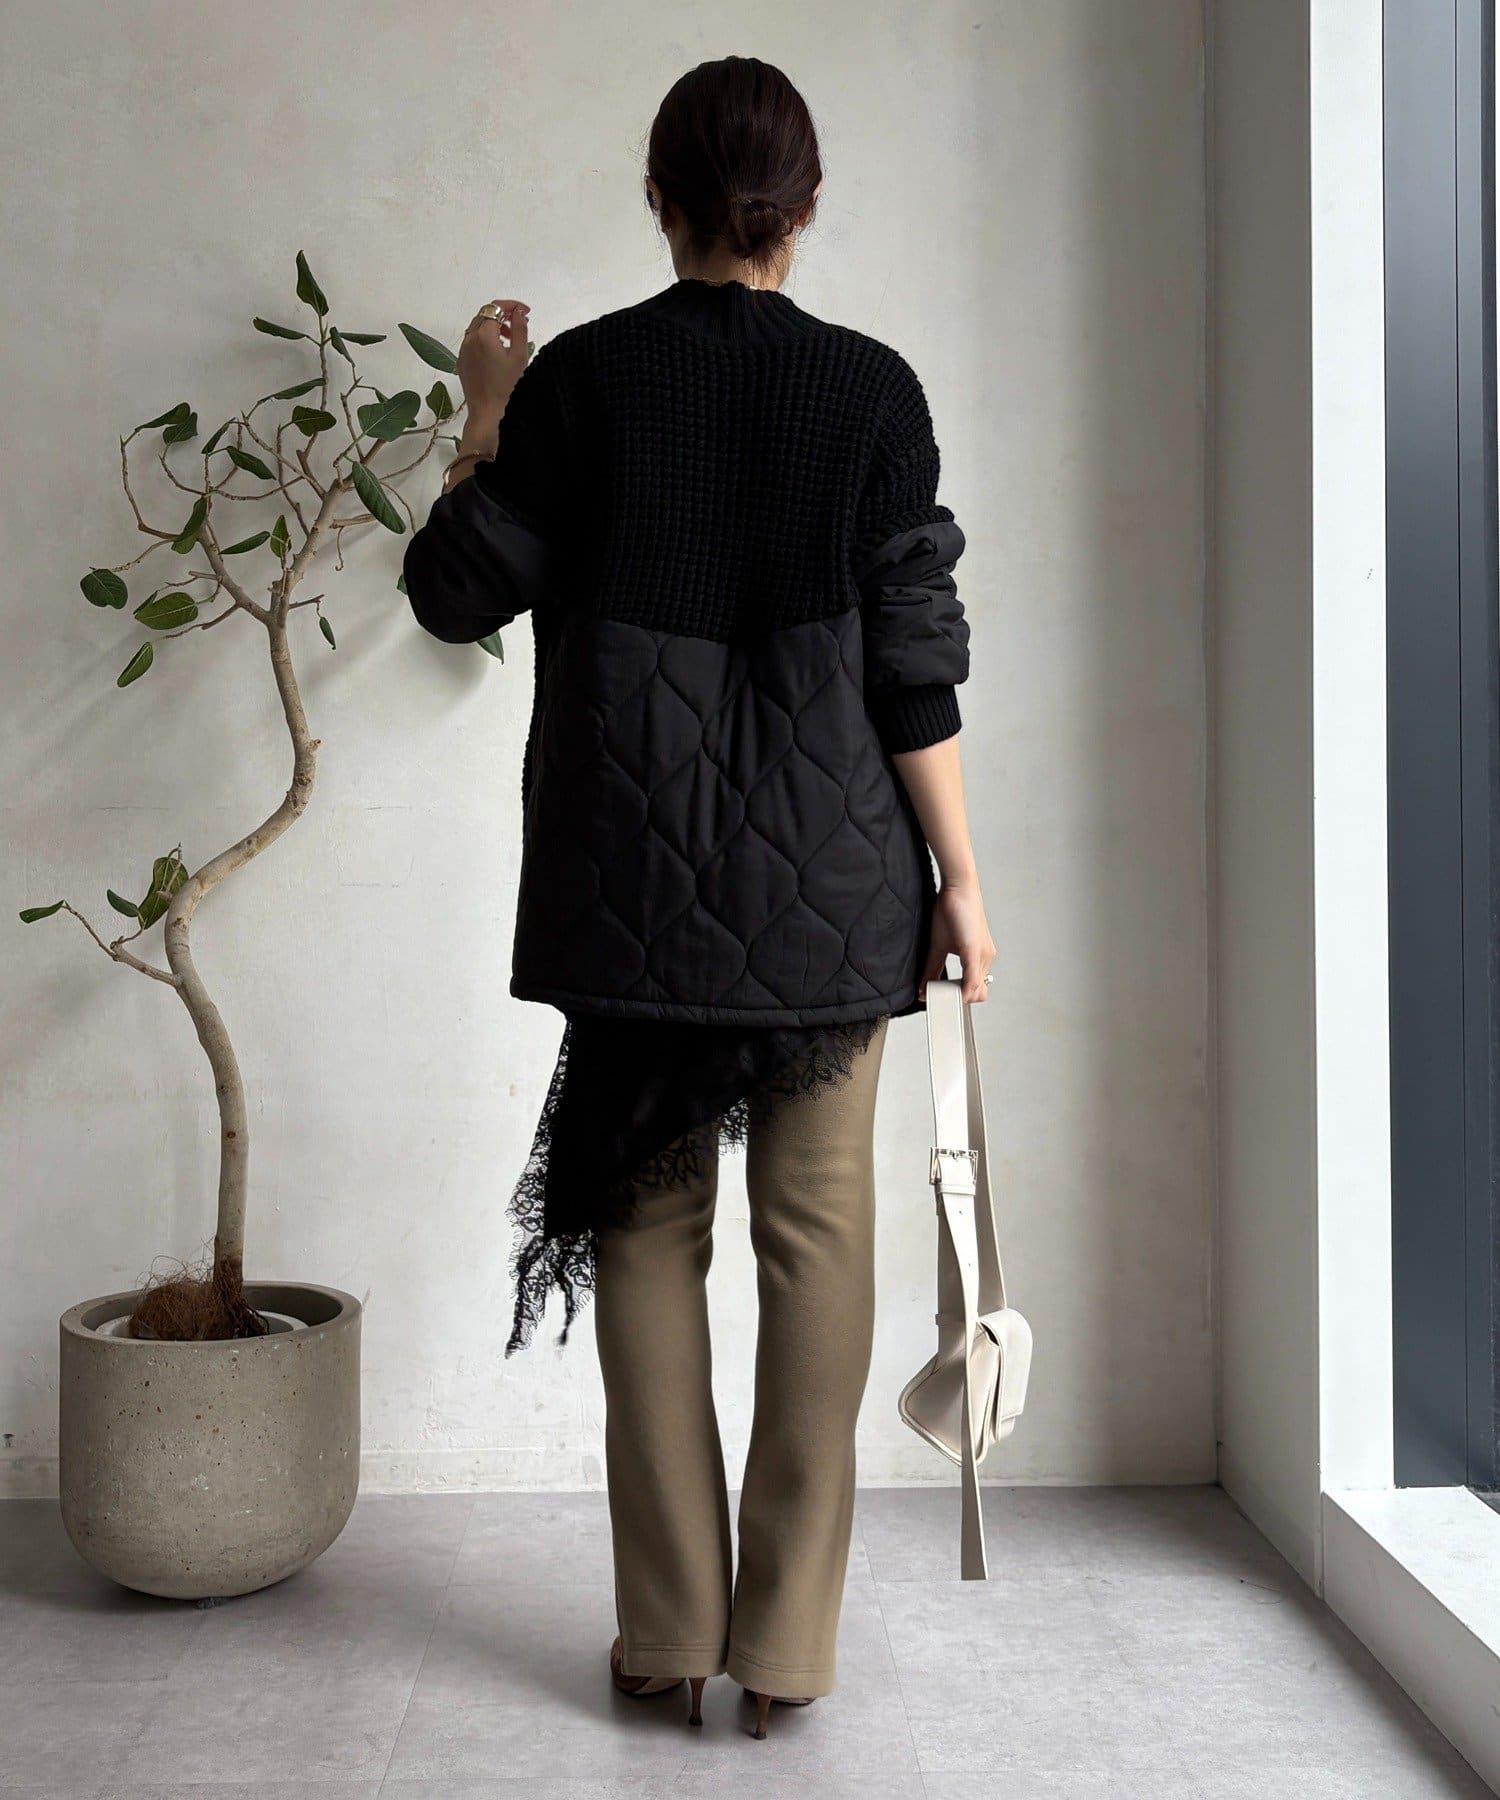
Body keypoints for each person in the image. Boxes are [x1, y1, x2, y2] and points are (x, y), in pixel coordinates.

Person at [404, 54, 995, 1741]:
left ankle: (664, 1634)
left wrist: (487, 415)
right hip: (833, 888)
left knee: (647, 1235)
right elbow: (915, 661)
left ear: (658, 198)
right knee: (819, 1239)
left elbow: (453, 594)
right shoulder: (872, 393)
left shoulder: (585, 383)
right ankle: (788, 1647)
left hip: (634, 886)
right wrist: (962, 878)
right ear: (804, 208)